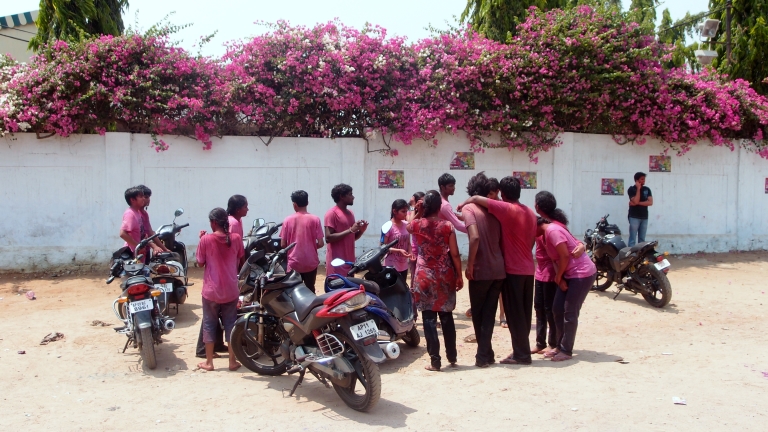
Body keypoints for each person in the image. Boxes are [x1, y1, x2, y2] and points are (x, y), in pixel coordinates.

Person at [458, 176, 537, 365]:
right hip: (527, 267)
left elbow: (477, 201)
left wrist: (465, 202)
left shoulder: (506, 208)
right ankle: (520, 350)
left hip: (511, 269)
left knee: (512, 313)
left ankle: (520, 355)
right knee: (524, 313)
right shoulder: (530, 212)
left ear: (503, 193)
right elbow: (532, 240)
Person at [407, 190, 463, 371]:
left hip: (424, 275)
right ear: (439, 206)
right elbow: (454, 253)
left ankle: (435, 361)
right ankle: (452, 355)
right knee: (446, 315)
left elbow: (408, 225)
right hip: (444, 274)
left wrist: (418, 211)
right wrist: (459, 275)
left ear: (425, 206)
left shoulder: (417, 225)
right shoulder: (447, 226)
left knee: (428, 317)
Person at [461, 172, 506, 368]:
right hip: (498, 269)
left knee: (479, 315)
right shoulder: (495, 210)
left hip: (481, 269)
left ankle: (482, 355)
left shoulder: (469, 209)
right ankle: (487, 353)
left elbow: (474, 237)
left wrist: (469, 264)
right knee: (489, 313)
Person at [537, 215, 597, 362]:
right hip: (568, 274)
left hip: (581, 274)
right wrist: (561, 277)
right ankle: (559, 345)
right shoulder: (545, 236)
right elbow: (555, 258)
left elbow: (564, 256)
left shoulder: (553, 231)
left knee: (570, 312)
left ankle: (566, 350)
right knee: (557, 308)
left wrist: (559, 277)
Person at [532, 191, 585, 355]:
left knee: (550, 308)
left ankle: (553, 342)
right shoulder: (543, 226)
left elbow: (570, 245)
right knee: (539, 307)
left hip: (551, 271)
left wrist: (582, 245)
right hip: (540, 271)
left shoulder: (552, 228)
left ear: (538, 206)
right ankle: (540, 342)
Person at [196, 208, 245, 372]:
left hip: (211, 291)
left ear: (213, 222)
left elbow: (200, 262)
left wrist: (201, 240)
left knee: (209, 324)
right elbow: (240, 258)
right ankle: (232, 361)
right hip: (231, 289)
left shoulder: (206, 240)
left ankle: (209, 362)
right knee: (231, 323)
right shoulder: (236, 238)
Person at [282, 190, 325, 292]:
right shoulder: (315, 219)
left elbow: (283, 244)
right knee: (310, 289)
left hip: (294, 263)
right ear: (307, 203)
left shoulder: (288, 220)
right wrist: (310, 246)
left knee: (294, 291)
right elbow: (321, 243)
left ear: (294, 204)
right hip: (311, 263)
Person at [324, 184, 368, 276]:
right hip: (336, 264)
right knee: (337, 289)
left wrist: (361, 231)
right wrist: (351, 230)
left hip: (349, 263)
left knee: (350, 289)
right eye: (350, 194)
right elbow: (328, 238)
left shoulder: (350, 213)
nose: (353, 197)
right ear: (342, 196)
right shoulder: (332, 213)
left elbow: (351, 237)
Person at [487, 176, 506, 327]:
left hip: (502, 248)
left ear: (497, 192)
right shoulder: (487, 205)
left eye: (491, 194)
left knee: (500, 285)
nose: (489, 197)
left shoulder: (503, 206)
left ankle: (502, 315)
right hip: (491, 248)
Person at [381, 199, 412, 282]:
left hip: (404, 266)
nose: (405, 214)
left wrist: (410, 253)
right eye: (403, 211)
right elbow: (382, 246)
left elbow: (408, 243)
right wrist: (399, 250)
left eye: (406, 211)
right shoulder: (387, 226)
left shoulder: (406, 225)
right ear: (394, 211)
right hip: (391, 266)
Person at [627, 172, 653, 247]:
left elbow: (650, 202)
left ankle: (640, 256)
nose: (644, 180)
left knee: (642, 239)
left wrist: (637, 203)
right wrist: (638, 189)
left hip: (644, 217)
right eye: (642, 179)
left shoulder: (647, 189)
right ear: (637, 180)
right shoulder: (631, 189)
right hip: (634, 217)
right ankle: (631, 256)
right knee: (632, 238)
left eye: (644, 179)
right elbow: (635, 200)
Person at [407, 191, 425, 287]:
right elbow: (410, 225)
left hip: (425, 250)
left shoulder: (427, 214)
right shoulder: (410, 213)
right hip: (415, 250)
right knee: (414, 277)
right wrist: (414, 207)